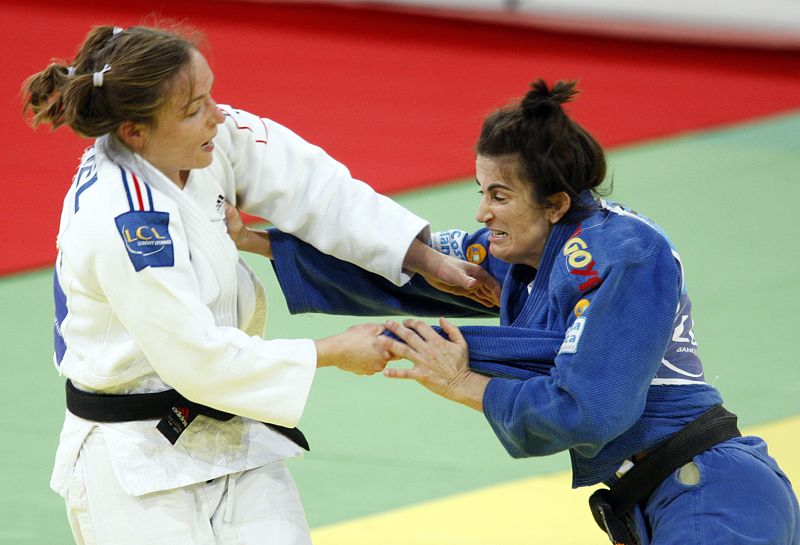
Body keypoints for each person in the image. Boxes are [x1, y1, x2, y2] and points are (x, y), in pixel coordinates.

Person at [228, 80, 800, 544]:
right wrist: (256, 240)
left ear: (554, 203)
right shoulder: (530, 252)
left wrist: (463, 380)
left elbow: (587, 410)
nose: (482, 212)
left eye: (499, 196)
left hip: (713, 498)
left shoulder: (625, 255)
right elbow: (413, 268)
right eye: (481, 191)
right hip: (663, 497)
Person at [22, 23, 500, 545]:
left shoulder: (204, 137)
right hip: (135, 456)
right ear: (135, 132)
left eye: (210, 95)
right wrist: (331, 352)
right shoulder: (126, 222)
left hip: (231, 422)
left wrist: (422, 258)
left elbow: (315, 188)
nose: (218, 115)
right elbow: (197, 359)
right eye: (194, 109)